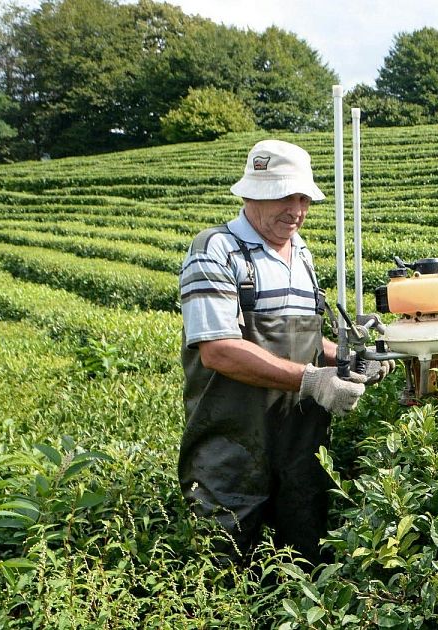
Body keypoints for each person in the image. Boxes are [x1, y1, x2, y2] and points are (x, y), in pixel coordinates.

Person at [178, 139, 386, 563]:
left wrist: (345, 361)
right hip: (232, 450)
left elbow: (305, 342)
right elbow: (217, 350)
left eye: (302, 198)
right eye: (282, 197)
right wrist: (311, 380)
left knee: (303, 560)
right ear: (250, 193)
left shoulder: (302, 253)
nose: (295, 210)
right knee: (225, 566)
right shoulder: (216, 249)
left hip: (299, 448)